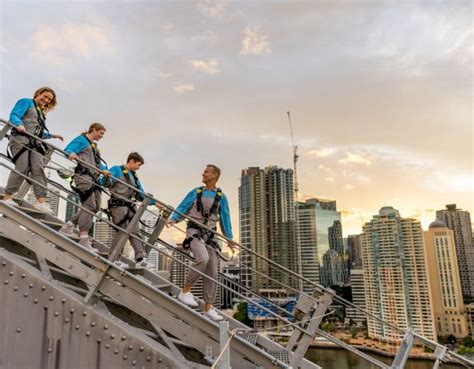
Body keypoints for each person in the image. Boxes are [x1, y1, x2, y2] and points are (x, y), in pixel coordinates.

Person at [167, 164, 234, 321]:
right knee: (202, 258)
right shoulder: (196, 192)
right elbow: (183, 207)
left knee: (212, 273)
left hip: (210, 237)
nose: (203, 174)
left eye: (206, 172)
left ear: (214, 176)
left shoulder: (221, 197)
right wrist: (173, 219)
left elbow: (225, 217)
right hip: (194, 233)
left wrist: (229, 238)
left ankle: (208, 309)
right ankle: (185, 291)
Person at [2, 87, 63, 213]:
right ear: (38, 93)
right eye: (44, 96)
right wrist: (18, 124)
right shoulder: (26, 102)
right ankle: (8, 196)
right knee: (22, 167)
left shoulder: (41, 112)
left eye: (49, 99)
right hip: (20, 139)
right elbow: (14, 114)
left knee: (38, 169)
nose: (45, 100)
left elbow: (38, 132)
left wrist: (52, 135)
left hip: (34, 143)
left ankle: (41, 202)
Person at [60, 123, 109, 251]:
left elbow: (97, 164)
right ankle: (83, 238)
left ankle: (69, 225)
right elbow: (68, 150)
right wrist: (72, 154)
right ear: (93, 129)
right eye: (101, 133)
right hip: (83, 177)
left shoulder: (94, 147)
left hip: (94, 179)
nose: (102, 136)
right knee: (90, 205)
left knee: (96, 206)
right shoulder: (82, 140)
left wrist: (104, 170)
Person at [107, 152, 161, 268]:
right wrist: (107, 177)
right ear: (131, 161)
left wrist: (154, 203)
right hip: (118, 205)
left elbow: (140, 194)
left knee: (135, 231)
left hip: (130, 207)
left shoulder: (134, 177)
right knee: (122, 230)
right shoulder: (117, 169)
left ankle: (140, 259)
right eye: (138, 165)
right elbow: (106, 182)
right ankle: (114, 258)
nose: (138, 168)